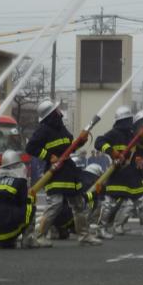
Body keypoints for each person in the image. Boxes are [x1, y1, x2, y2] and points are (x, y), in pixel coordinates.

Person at [25, 98, 102, 247]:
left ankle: (84, 235)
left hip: (68, 170)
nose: (60, 112)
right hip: (55, 172)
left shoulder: (61, 128)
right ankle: (40, 235)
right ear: (52, 113)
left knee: (79, 204)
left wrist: (81, 141)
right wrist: (49, 156)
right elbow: (30, 148)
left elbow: (69, 147)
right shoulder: (43, 130)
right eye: (57, 110)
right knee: (56, 203)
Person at [94, 106, 143, 240]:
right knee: (109, 203)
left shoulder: (134, 135)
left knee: (142, 202)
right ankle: (101, 229)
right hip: (118, 173)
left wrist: (142, 141)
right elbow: (99, 141)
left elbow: (142, 150)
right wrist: (111, 151)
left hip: (132, 174)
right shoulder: (113, 133)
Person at [0, 150, 38, 248]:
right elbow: (23, 202)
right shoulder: (19, 182)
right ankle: (28, 239)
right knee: (30, 203)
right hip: (7, 231)